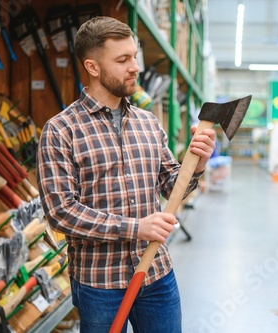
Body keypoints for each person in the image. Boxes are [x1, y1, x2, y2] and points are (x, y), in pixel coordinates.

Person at [36, 16, 216, 333]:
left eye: (134, 56)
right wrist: (136, 228)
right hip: (99, 284)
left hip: (157, 275)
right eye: (122, 60)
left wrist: (196, 164)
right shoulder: (61, 130)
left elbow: (172, 185)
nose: (134, 67)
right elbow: (60, 213)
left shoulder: (148, 123)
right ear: (92, 67)